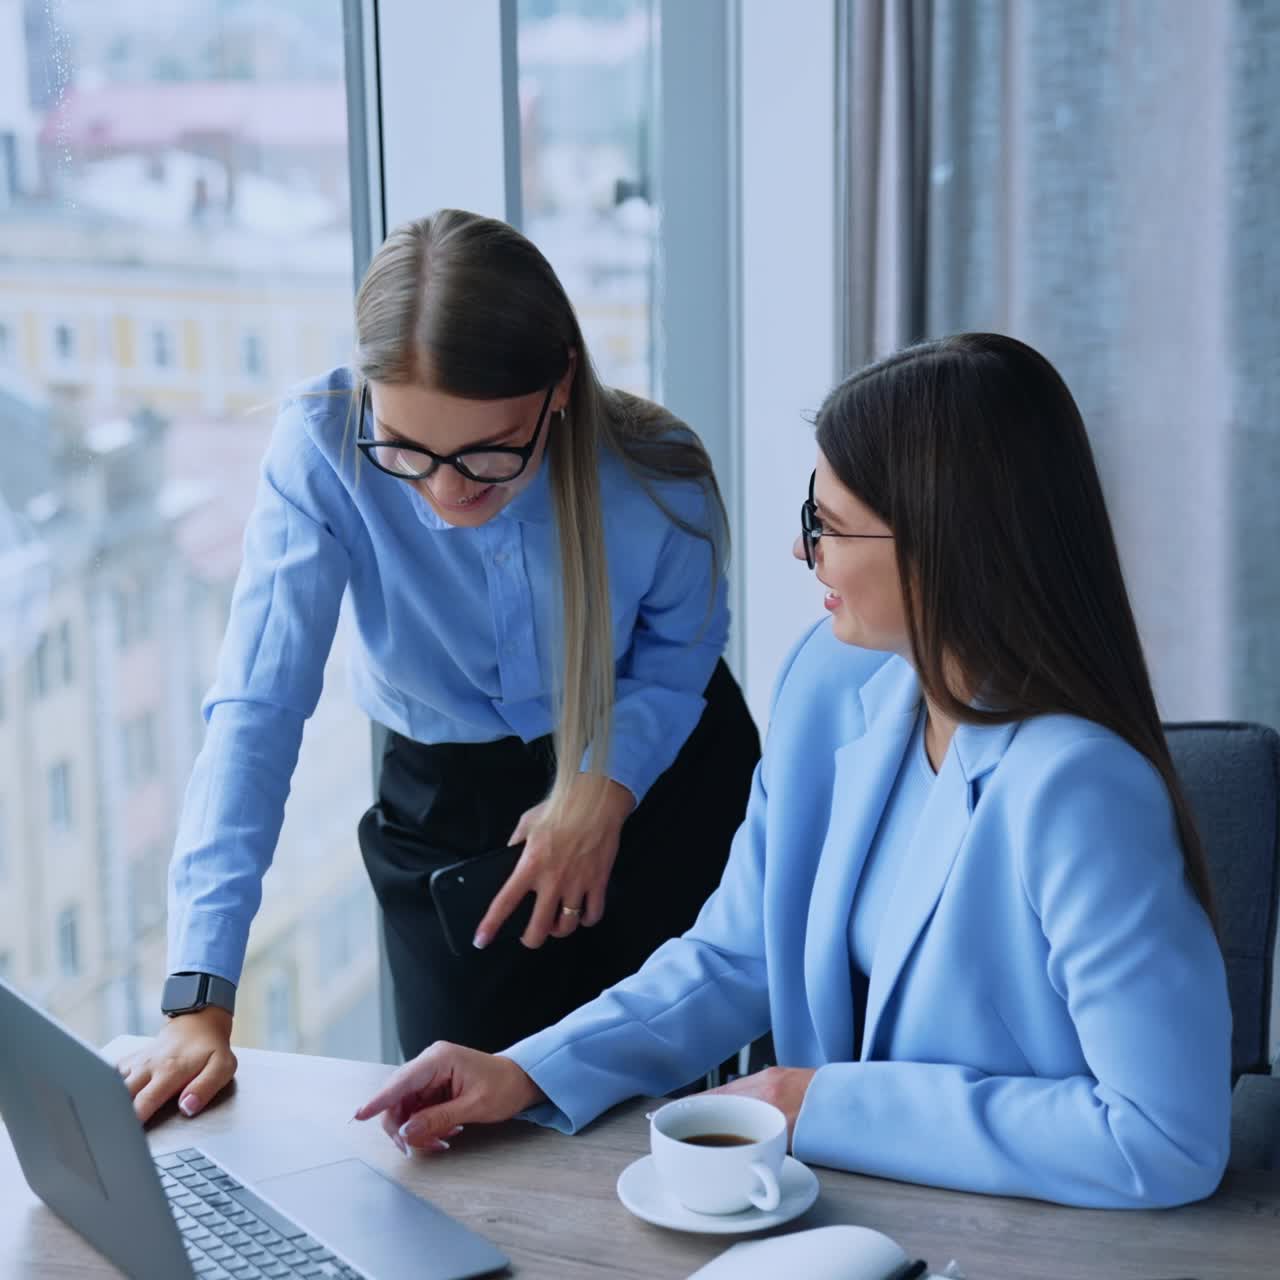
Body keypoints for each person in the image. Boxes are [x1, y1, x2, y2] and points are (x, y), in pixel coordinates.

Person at [353, 333, 1232, 1208]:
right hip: (835, 1212)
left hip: (1030, 1238)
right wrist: (526, 1070)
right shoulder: (833, 682)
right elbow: (739, 953)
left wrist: (817, 1103)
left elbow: (1162, 1138)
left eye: (828, 525)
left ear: (946, 546)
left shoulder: (1078, 790)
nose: (801, 551)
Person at [118, 209, 760, 1123]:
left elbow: (686, 647)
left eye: (491, 454)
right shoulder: (321, 449)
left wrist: (602, 786)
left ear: (561, 387)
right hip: (450, 804)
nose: (446, 489)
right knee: (452, 1125)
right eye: (406, 452)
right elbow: (257, 709)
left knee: (684, 1110)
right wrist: (199, 995)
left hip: (662, 775)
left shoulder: (657, 469)